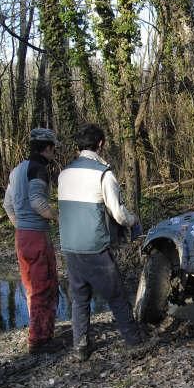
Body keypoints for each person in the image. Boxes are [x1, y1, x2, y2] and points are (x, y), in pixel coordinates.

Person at [58, 123, 142, 362]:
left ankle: (80, 347)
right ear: (101, 144)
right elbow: (118, 214)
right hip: (94, 247)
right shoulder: (103, 173)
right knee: (116, 295)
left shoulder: (64, 174)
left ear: (79, 146)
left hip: (70, 247)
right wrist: (133, 220)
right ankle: (133, 341)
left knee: (79, 298)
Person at [3, 128, 61, 355]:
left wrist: (20, 225)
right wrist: (58, 216)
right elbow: (38, 202)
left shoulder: (17, 170)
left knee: (30, 286)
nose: (54, 153)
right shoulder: (39, 169)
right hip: (36, 236)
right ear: (46, 148)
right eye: (53, 148)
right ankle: (38, 339)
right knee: (43, 285)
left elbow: (7, 205)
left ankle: (42, 332)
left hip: (22, 237)